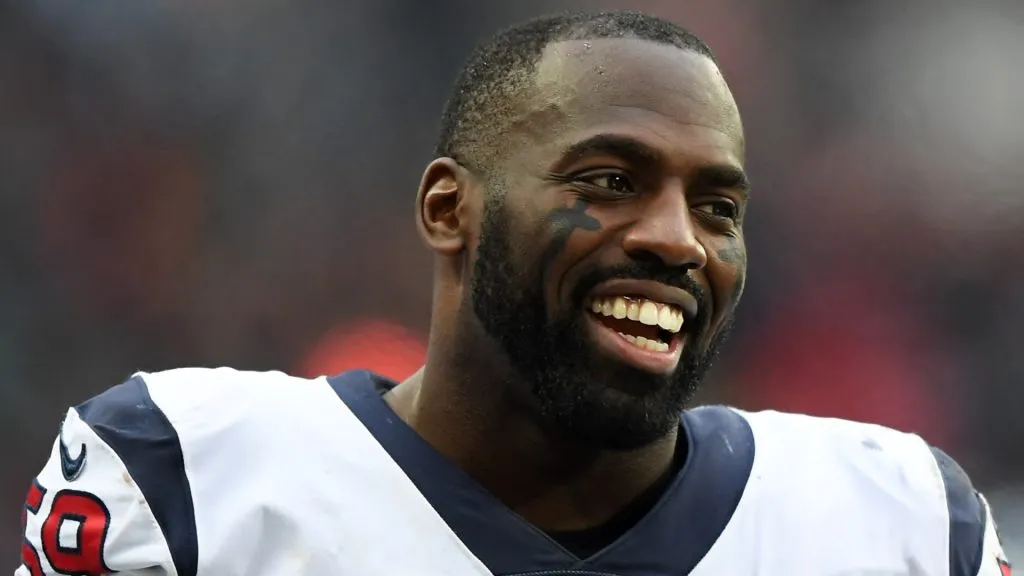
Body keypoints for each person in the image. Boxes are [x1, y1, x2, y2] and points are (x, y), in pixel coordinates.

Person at [17, 10, 1012, 576]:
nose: (675, 239)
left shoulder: (900, 523)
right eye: (607, 181)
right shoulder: (186, 478)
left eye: (716, 205)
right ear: (451, 210)